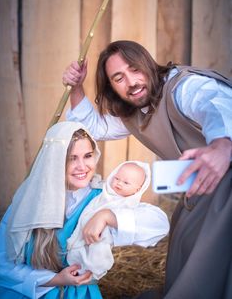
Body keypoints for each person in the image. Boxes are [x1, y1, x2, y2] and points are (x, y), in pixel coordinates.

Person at [62, 40, 232, 299]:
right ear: (111, 87)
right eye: (119, 78)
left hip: (226, 178)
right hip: (202, 186)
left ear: (148, 65)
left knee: (207, 259)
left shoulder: (183, 86)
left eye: (135, 69)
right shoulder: (133, 113)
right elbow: (96, 127)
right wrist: (76, 88)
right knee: (184, 239)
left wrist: (222, 145)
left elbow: (215, 104)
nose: (131, 82)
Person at [0, 121, 169, 299]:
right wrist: (55, 279)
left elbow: (159, 225)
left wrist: (107, 216)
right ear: (54, 160)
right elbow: (2, 263)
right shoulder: (27, 202)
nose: (82, 166)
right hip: (26, 291)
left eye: (87, 155)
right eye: (72, 158)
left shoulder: (103, 199)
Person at [67, 161, 153, 280]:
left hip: (102, 236)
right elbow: (98, 187)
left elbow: (125, 219)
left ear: (137, 190)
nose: (119, 183)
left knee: (97, 251)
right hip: (86, 225)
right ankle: (75, 265)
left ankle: (88, 270)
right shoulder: (106, 191)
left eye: (126, 182)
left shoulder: (129, 204)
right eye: (117, 178)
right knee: (78, 247)